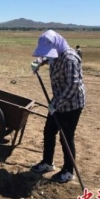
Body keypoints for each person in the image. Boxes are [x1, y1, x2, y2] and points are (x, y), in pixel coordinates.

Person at [30, 30, 86, 183]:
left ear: (57, 44)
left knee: (66, 137)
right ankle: (47, 163)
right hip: (58, 101)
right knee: (49, 131)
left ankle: (68, 171)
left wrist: (56, 103)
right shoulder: (55, 53)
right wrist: (38, 62)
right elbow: (47, 57)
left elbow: (73, 86)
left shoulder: (69, 58)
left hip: (72, 104)